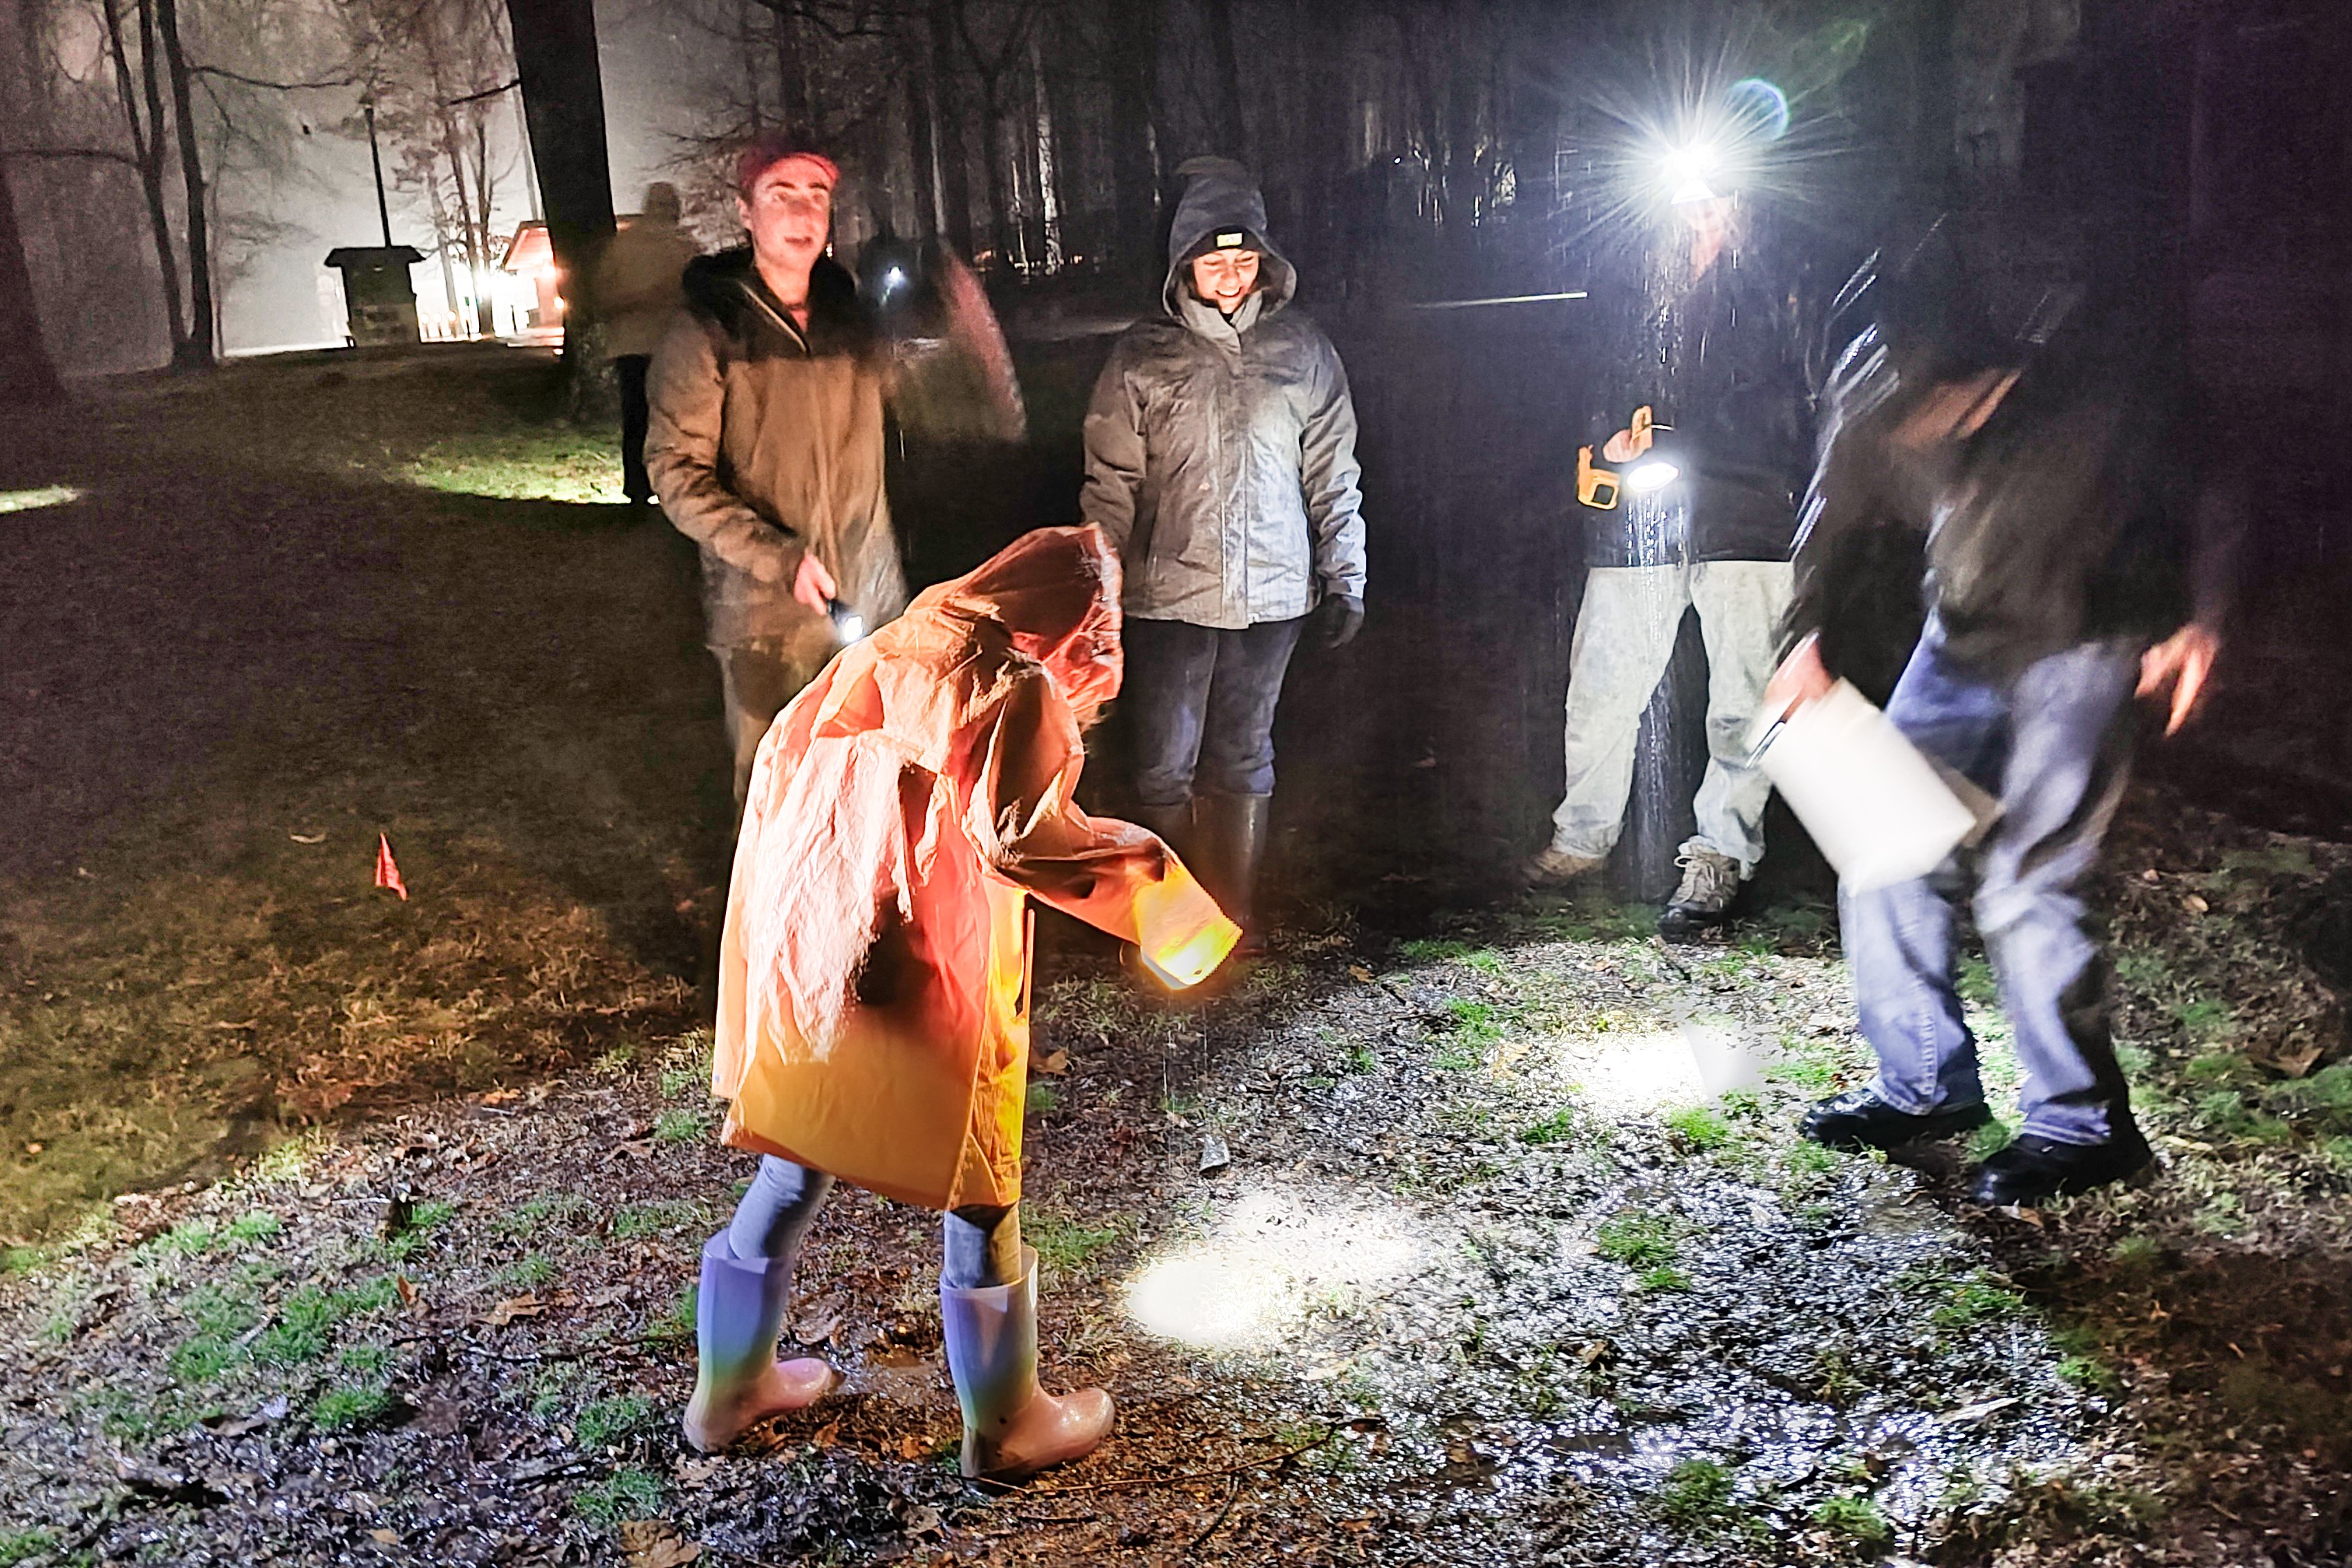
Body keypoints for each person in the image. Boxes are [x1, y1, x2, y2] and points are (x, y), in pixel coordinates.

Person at [684, 525, 1239, 1478]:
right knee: (979, 1185)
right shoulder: (1010, 685)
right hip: (928, 959)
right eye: (1097, 639)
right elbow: (1023, 838)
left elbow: (787, 759)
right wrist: (1165, 901)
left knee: (795, 1152)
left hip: (826, 951)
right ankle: (1008, 1424)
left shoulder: (904, 641)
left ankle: (726, 1391)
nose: (1103, 661)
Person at [1773, 256, 2232, 1206]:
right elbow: (1830, 514)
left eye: (1932, 417)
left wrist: (2202, 614)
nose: (1911, 441)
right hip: (1962, 633)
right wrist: (1800, 636)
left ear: (1987, 384)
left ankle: (2082, 1126)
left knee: (2029, 877)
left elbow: (2212, 482)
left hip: (2085, 631)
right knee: (1884, 848)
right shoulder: (1872, 393)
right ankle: (1923, 1090)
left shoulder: (2093, 402)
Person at [1080, 157, 1367, 954]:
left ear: (1265, 264)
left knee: (1243, 754)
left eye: (1245, 262)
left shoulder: (1303, 350)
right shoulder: (1143, 356)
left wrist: (1346, 572)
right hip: (1168, 596)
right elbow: (1110, 482)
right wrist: (1095, 589)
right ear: (1184, 266)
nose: (1232, 278)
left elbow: (1332, 469)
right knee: (1164, 765)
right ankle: (1170, 922)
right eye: (1215, 262)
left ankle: (1228, 919)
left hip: (1274, 596)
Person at [1526, 189, 1813, 937]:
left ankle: (1721, 851)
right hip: (1640, 523)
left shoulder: (1787, 283)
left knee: (1744, 701)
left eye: (1717, 192)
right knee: (1602, 688)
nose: (1698, 205)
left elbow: (1793, 409)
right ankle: (1583, 837)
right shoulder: (1630, 280)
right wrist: (1602, 446)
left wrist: (1683, 447)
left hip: (1749, 522)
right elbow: (1587, 378)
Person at [644, 139, 906, 806]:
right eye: (780, 195)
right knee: (779, 796)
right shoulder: (709, 329)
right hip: (766, 615)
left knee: (873, 782)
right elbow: (674, 471)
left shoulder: (853, 322)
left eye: (816, 197)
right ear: (745, 212)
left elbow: (921, 407)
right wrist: (779, 558)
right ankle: (771, 916)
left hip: (870, 601)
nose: (802, 212)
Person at [595, 183, 699, 505]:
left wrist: (631, 302)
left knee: (637, 417)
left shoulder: (623, 246)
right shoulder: (686, 248)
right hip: (674, 345)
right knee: (674, 420)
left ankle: (638, 486)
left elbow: (601, 295)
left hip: (631, 345)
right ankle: (674, 486)